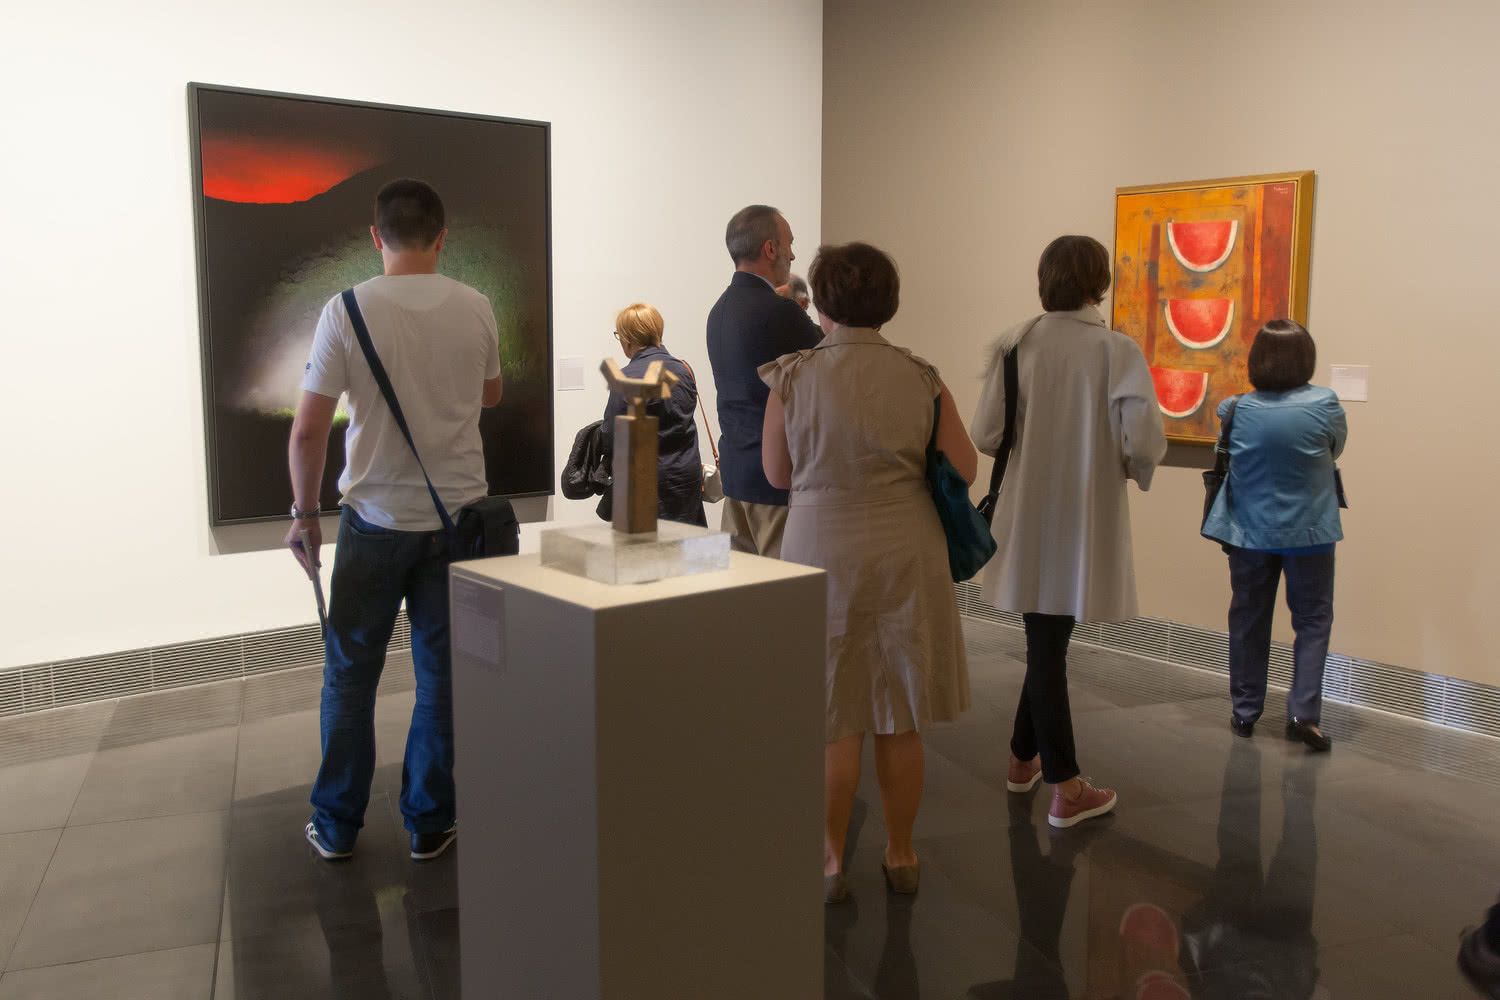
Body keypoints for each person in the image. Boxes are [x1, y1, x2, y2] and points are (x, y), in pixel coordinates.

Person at [286, 178, 504, 862]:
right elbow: (490, 393)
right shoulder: (477, 306)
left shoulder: (345, 309)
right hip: (460, 520)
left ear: (376, 236)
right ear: (442, 237)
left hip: (374, 520)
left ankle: (337, 824)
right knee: (443, 675)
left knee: (350, 674)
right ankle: (430, 819)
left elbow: (308, 431)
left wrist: (304, 513)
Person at [760, 241, 977, 902]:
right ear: (889, 301)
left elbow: (776, 474)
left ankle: (829, 861)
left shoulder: (792, 376)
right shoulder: (921, 376)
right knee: (898, 708)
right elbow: (965, 468)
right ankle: (903, 853)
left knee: (834, 709)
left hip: (820, 543)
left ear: (822, 301)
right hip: (906, 545)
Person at [971, 234, 1166, 829]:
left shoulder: (1015, 345)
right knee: (1049, 645)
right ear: (1098, 282)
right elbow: (1144, 441)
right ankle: (1067, 785)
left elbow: (985, 434)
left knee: (1046, 638)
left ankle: (1023, 758)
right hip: (1084, 516)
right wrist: (1131, 469)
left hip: (1027, 516)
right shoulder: (1117, 350)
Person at [1202, 320, 1348, 751]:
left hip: (1249, 532)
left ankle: (1245, 712)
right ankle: (1304, 714)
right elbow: (1335, 449)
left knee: (1248, 619)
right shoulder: (1326, 404)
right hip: (1312, 532)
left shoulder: (1235, 409)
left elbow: (1223, 454)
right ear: (1306, 359)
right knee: (1313, 621)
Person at [707, 204, 822, 557]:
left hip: (737, 477)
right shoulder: (778, 311)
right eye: (788, 243)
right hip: (775, 482)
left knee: (743, 599)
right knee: (785, 597)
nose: (793, 254)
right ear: (770, 249)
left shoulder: (718, 310)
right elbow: (833, 357)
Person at [601, 302, 706, 527]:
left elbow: (611, 436)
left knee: (647, 555)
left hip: (645, 484)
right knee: (686, 551)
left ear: (628, 338)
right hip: (686, 479)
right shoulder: (684, 370)